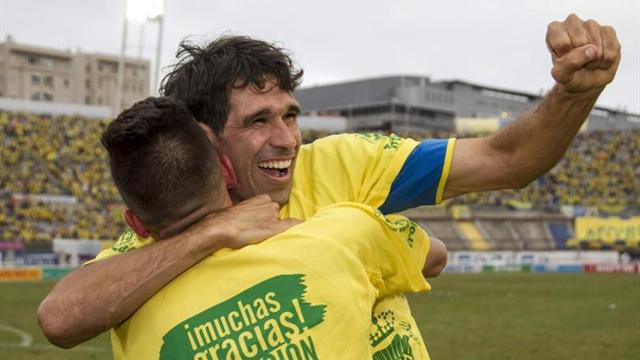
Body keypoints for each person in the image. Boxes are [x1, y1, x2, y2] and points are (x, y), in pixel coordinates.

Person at [38, 13, 621, 358]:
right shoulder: (163, 233)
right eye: (259, 121)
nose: (287, 139)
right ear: (206, 139)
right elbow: (61, 316)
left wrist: (574, 94)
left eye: (290, 115)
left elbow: (508, 158)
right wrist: (214, 232)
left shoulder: (344, 164)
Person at [100, 96, 445, 359]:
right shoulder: (340, 233)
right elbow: (434, 256)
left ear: (137, 224)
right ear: (227, 171)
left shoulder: (127, 310)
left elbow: (59, 319)